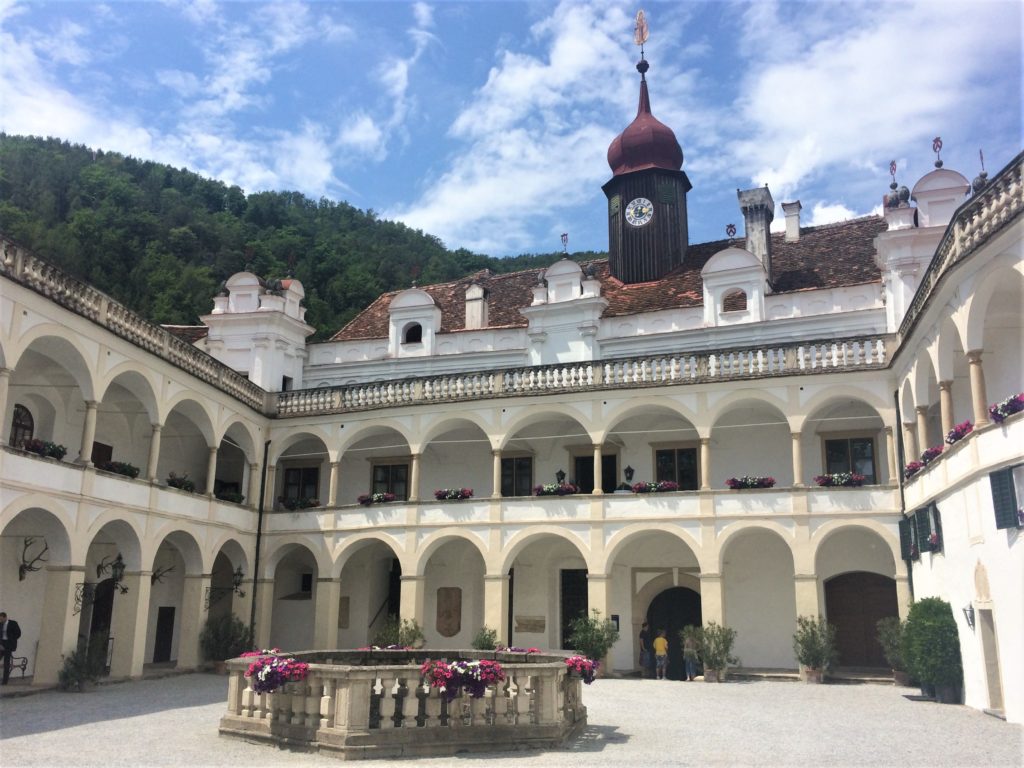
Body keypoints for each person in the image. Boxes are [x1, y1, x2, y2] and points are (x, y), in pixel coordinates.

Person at [0, 612, 22, 685]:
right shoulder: (0, 624)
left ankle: (4, 682)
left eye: (1, 619)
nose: (1, 620)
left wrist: (12, 640)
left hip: (9, 645)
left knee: (6, 663)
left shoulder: (13, 623)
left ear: (5, 617)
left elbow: (18, 633)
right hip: (2, 644)